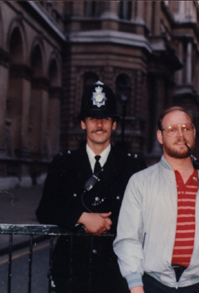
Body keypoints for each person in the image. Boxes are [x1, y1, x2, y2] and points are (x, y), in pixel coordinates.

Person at [36, 81, 146, 293]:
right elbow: (45, 210)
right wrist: (81, 217)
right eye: (92, 118)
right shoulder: (64, 163)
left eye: (105, 118)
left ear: (114, 124)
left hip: (116, 273)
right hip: (71, 272)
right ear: (83, 123)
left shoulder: (132, 165)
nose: (99, 124)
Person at [113, 106, 199, 293]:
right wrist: (136, 286)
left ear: (194, 132)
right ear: (160, 136)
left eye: (186, 128)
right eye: (172, 130)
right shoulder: (140, 182)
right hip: (153, 285)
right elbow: (128, 239)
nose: (181, 135)